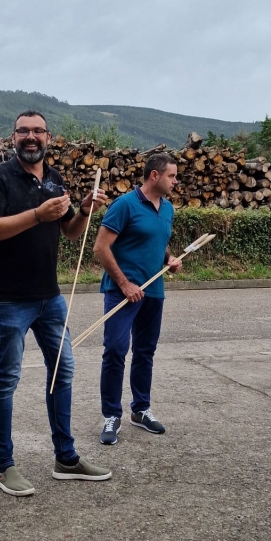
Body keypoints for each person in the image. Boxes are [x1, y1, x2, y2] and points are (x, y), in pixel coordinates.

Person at [0, 110, 111, 496]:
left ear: (49, 138)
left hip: (50, 298)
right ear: (13, 137)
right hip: (9, 300)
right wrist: (37, 215)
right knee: (6, 381)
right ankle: (3, 467)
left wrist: (84, 210)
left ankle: (65, 458)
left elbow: (70, 232)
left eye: (38, 131)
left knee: (62, 373)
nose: (31, 137)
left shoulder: (55, 180)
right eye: (24, 131)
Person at [93, 152, 182, 445]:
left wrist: (169, 258)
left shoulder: (167, 208)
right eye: (171, 175)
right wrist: (124, 283)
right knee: (116, 351)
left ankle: (140, 410)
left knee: (145, 352)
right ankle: (111, 415)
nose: (175, 180)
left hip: (154, 292)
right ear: (154, 175)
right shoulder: (124, 205)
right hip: (121, 292)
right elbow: (100, 248)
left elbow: (158, 243)